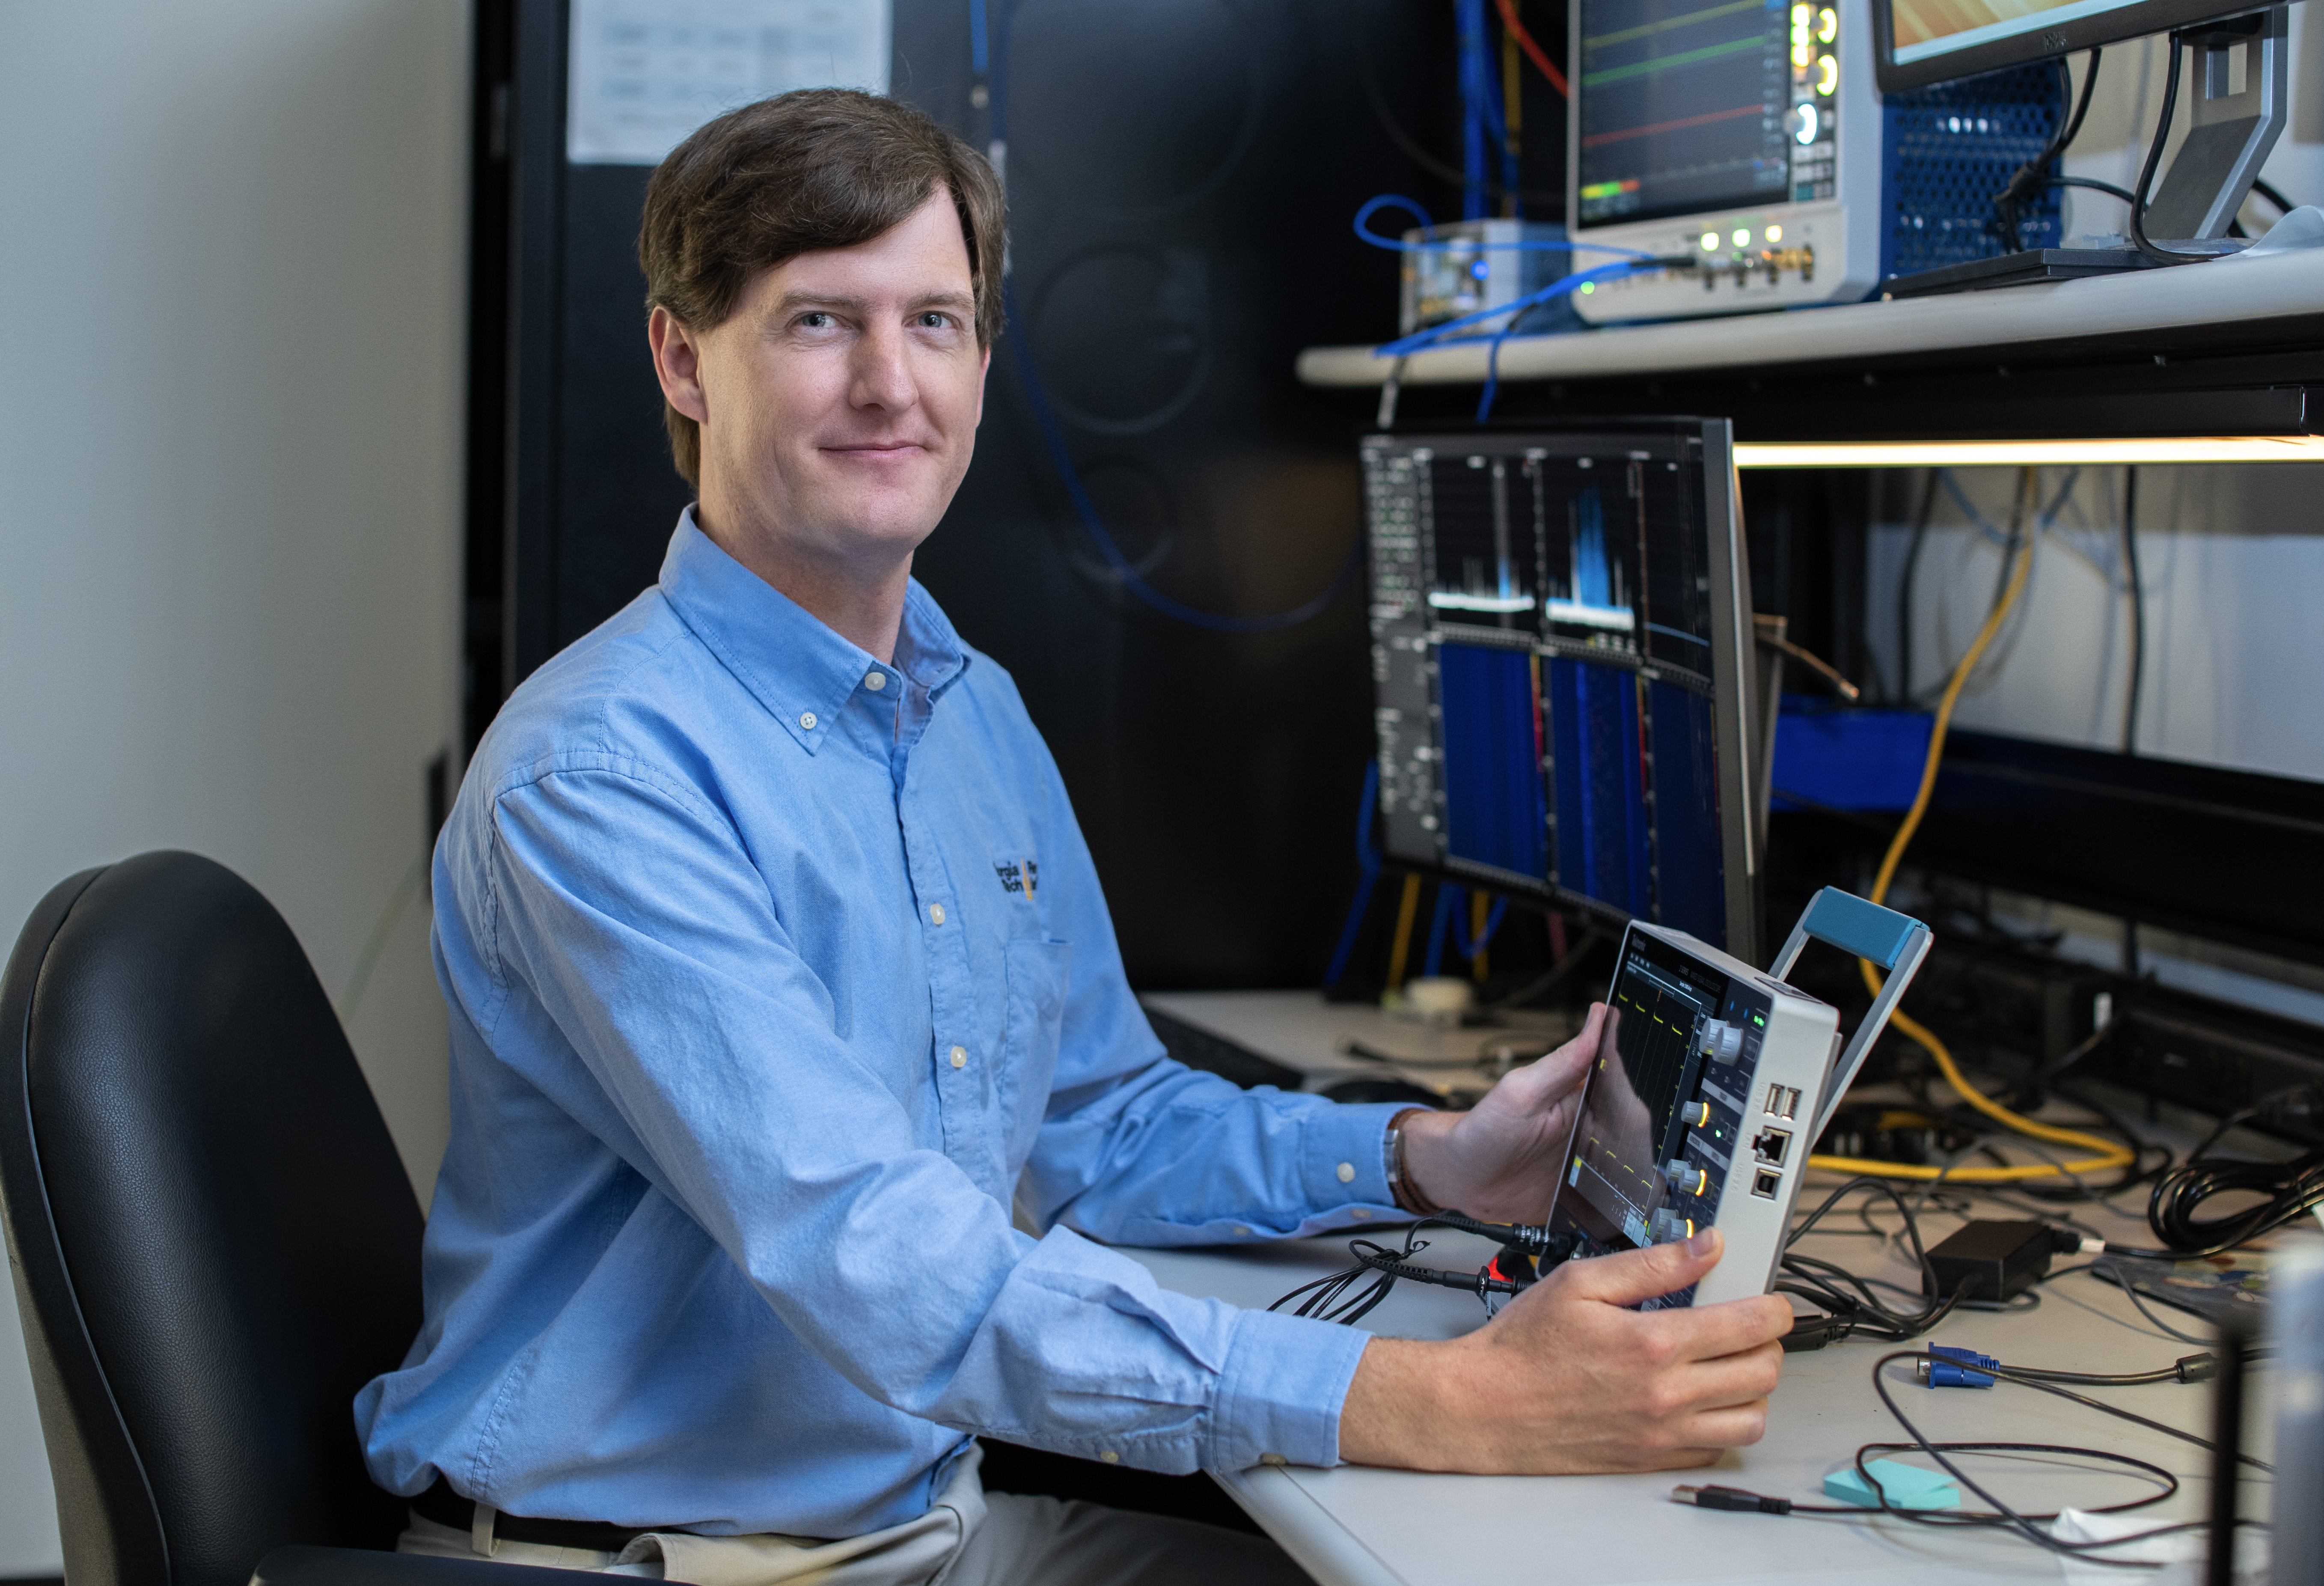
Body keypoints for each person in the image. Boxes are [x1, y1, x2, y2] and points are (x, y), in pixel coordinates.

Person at [355, 88, 1790, 1586]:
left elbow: (1101, 1128)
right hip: (666, 1560)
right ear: (682, 360)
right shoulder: (602, 774)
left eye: (937, 322)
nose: (890, 385)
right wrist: (1448, 1398)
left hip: (918, 1527)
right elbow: (888, 1264)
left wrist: (1435, 1158)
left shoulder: (967, 712)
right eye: (817, 323)